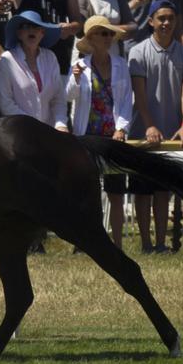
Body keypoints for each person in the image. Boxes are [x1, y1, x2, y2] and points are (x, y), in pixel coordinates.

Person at [127, 0, 183, 254]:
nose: (166, 22)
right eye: (161, 18)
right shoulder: (137, 52)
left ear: (176, 21)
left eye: (171, 18)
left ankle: (161, 243)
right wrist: (149, 125)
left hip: (173, 133)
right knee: (142, 191)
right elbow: (140, 95)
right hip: (143, 133)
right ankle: (145, 244)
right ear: (151, 21)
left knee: (163, 190)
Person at [66, 15, 132, 249]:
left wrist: (121, 128)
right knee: (86, 192)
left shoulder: (121, 64)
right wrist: (74, 79)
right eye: (103, 33)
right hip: (87, 135)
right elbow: (69, 97)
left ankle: (116, 243)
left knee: (116, 192)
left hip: (112, 135)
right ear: (91, 38)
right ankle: (84, 241)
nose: (108, 37)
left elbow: (126, 101)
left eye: (110, 33)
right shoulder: (80, 65)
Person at [0, 10, 67, 131]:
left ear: (42, 33)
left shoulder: (50, 57)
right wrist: (33, 125)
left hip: (49, 132)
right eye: (26, 27)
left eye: (36, 27)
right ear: (19, 34)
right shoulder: (7, 60)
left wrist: (61, 124)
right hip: (19, 132)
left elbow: (58, 98)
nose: (31, 30)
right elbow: (6, 104)